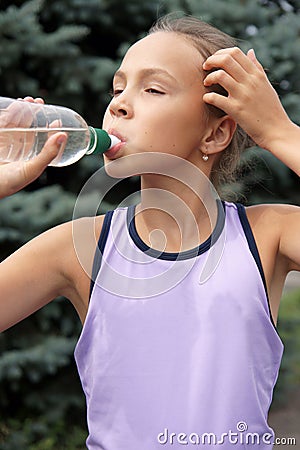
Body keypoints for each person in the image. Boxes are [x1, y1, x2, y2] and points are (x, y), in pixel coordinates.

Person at [0, 13, 299, 449]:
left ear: (215, 134)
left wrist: (281, 132)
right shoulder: (78, 249)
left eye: (153, 88)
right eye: (117, 88)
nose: (118, 104)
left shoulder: (269, 236)